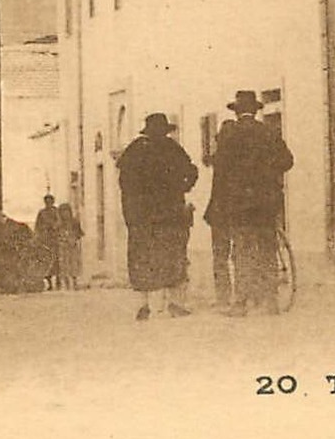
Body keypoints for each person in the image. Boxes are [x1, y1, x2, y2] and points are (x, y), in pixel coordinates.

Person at [204, 90, 295, 316]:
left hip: (239, 204)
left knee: (242, 251)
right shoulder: (268, 132)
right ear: (255, 111)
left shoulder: (230, 135)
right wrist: (268, 172)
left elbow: (221, 168)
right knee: (267, 248)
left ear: (236, 112)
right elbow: (287, 161)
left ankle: (241, 303)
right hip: (266, 203)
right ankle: (270, 301)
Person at [117, 112, 198, 321]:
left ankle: (144, 305)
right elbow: (192, 172)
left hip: (142, 216)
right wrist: (182, 187)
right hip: (169, 214)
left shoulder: (135, 150)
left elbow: (124, 184)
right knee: (172, 255)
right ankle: (174, 303)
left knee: (142, 257)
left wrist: (131, 212)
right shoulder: (172, 149)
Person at [0, 205, 46, 295]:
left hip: (13, 254)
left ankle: (16, 285)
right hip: (4, 255)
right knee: (4, 272)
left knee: (13, 271)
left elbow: (27, 239)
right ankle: (9, 286)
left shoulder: (15, 226)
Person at [55, 200, 84, 290]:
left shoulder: (75, 222)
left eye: (67, 211)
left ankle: (75, 282)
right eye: (63, 212)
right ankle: (66, 282)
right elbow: (56, 235)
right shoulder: (59, 224)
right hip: (63, 247)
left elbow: (79, 233)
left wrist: (74, 238)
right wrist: (61, 239)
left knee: (73, 263)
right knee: (64, 264)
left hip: (72, 246)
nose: (65, 214)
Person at [34, 194, 61, 289]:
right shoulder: (42, 213)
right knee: (46, 260)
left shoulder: (56, 212)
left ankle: (58, 281)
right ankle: (49, 283)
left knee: (56, 261)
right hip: (45, 240)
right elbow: (37, 226)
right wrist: (38, 235)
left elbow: (59, 223)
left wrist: (54, 226)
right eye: (47, 201)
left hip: (54, 239)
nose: (48, 203)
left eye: (50, 201)